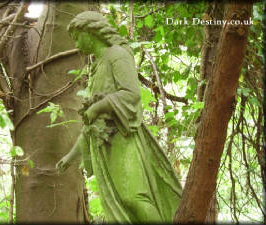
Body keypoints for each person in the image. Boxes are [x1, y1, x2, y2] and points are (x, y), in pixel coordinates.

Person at [56, 11, 182, 223]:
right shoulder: (95, 68)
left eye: (78, 37)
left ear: (90, 31)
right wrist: (70, 157)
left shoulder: (117, 55)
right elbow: (91, 125)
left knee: (133, 197)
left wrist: (98, 108)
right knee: (121, 203)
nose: (77, 45)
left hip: (124, 139)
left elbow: (130, 94)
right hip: (106, 146)